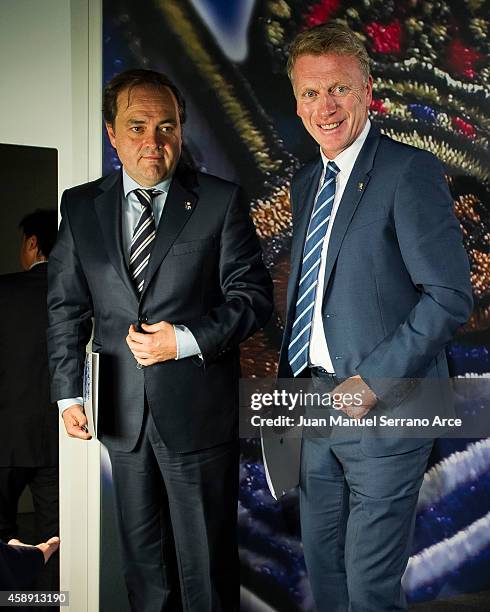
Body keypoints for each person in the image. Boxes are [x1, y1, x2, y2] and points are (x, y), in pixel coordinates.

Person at [262, 23, 473, 612]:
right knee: (324, 573)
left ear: (366, 90)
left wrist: (371, 383)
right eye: (310, 93)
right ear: (296, 101)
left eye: (338, 89)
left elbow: (450, 295)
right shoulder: (308, 183)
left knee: (369, 586)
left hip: (387, 404)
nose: (324, 106)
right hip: (314, 402)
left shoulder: (410, 171)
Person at [47, 69, 273, 612]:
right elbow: (66, 305)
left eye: (167, 126)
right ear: (112, 133)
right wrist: (67, 393)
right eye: (138, 125)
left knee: (207, 571)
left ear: (182, 130)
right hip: (120, 417)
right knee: (144, 568)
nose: (154, 142)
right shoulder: (79, 207)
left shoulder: (220, 202)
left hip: (197, 414)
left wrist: (187, 340)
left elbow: (254, 298)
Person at [0, 209, 59, 590]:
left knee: (3, 542)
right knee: (59, 542)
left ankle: (11, 603)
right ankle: (55, 603)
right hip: (61, 440)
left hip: (5, 436)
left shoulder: (3, 291)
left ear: (32, 243)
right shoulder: (80, 297)